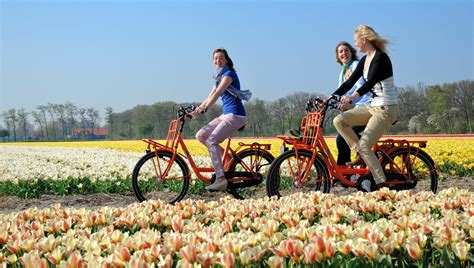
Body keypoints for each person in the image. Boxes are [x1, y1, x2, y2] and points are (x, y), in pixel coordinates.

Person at [332, 25, 399, 192]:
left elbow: (370, 82)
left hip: (386, 108)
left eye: (356, 41)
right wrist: (330, 97)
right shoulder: (365, 59)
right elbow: (349, 82)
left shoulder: (381, 58)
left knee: (364, 144)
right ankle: (360, 154)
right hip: (372, 107)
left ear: (364, 40)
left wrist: (352, 97)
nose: (355, 45)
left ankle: (381, 184)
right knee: (339, 120)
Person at [193, 48, 247, 191]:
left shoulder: (228, 74)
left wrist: (206, 109)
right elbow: (210, 95)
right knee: (201, 135)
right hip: (226, 115)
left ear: (227, 60)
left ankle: (221, 178)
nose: (218, 60)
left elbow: (218, 93)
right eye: (216, 58)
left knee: (211, 140)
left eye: (221, 58)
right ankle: (227, 158)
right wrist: (196, 111)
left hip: (236, 115)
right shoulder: (219, 77)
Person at [333, 41, 371, 166]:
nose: (344, 53)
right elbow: (341, 91)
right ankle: (346, 173)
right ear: (338, 56)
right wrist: (329, 102)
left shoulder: (355, 65)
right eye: (341, 52)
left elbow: (360, 86)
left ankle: (347, 170)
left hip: (368, 106)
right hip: (358, 108)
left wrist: (349, 99)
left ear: (352, 52)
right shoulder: (343, 72)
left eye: (347, 50)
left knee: (342, 137)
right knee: (341, 138)